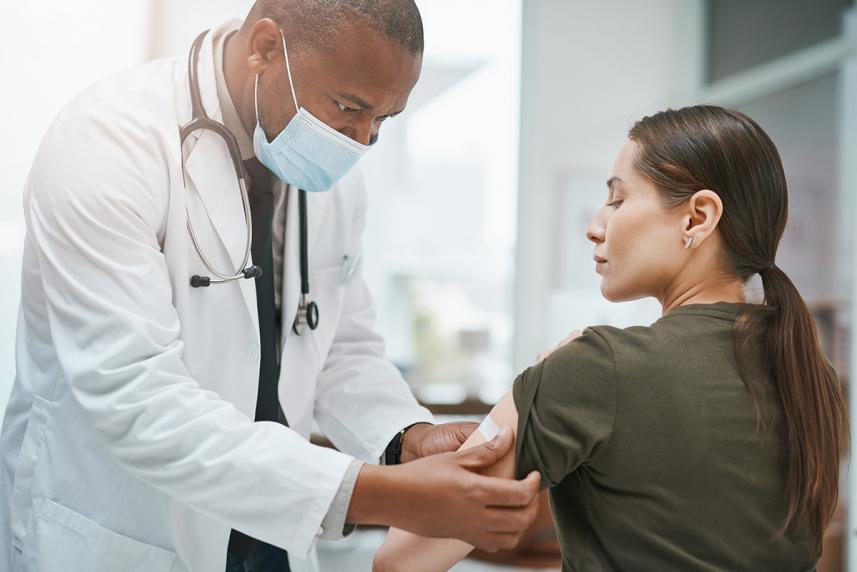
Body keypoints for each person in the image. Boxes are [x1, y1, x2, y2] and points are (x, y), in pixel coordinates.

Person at [0, 1, 541, 571]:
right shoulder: (108, 143)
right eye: (350, 108)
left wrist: (406, 437)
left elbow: (339, 347)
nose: (361, 139)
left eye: (384, 120)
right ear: (263, 47)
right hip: (131, 533)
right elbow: (135, 398)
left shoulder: (332, 177)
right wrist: (384, 495)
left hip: (272, 534)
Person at [374, 105, 848, 571]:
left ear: (697, 218)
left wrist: (537, 383)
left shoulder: (597, 368)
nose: (595, 227)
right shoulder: (812, 377)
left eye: (618, 200)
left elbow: (400, 560)